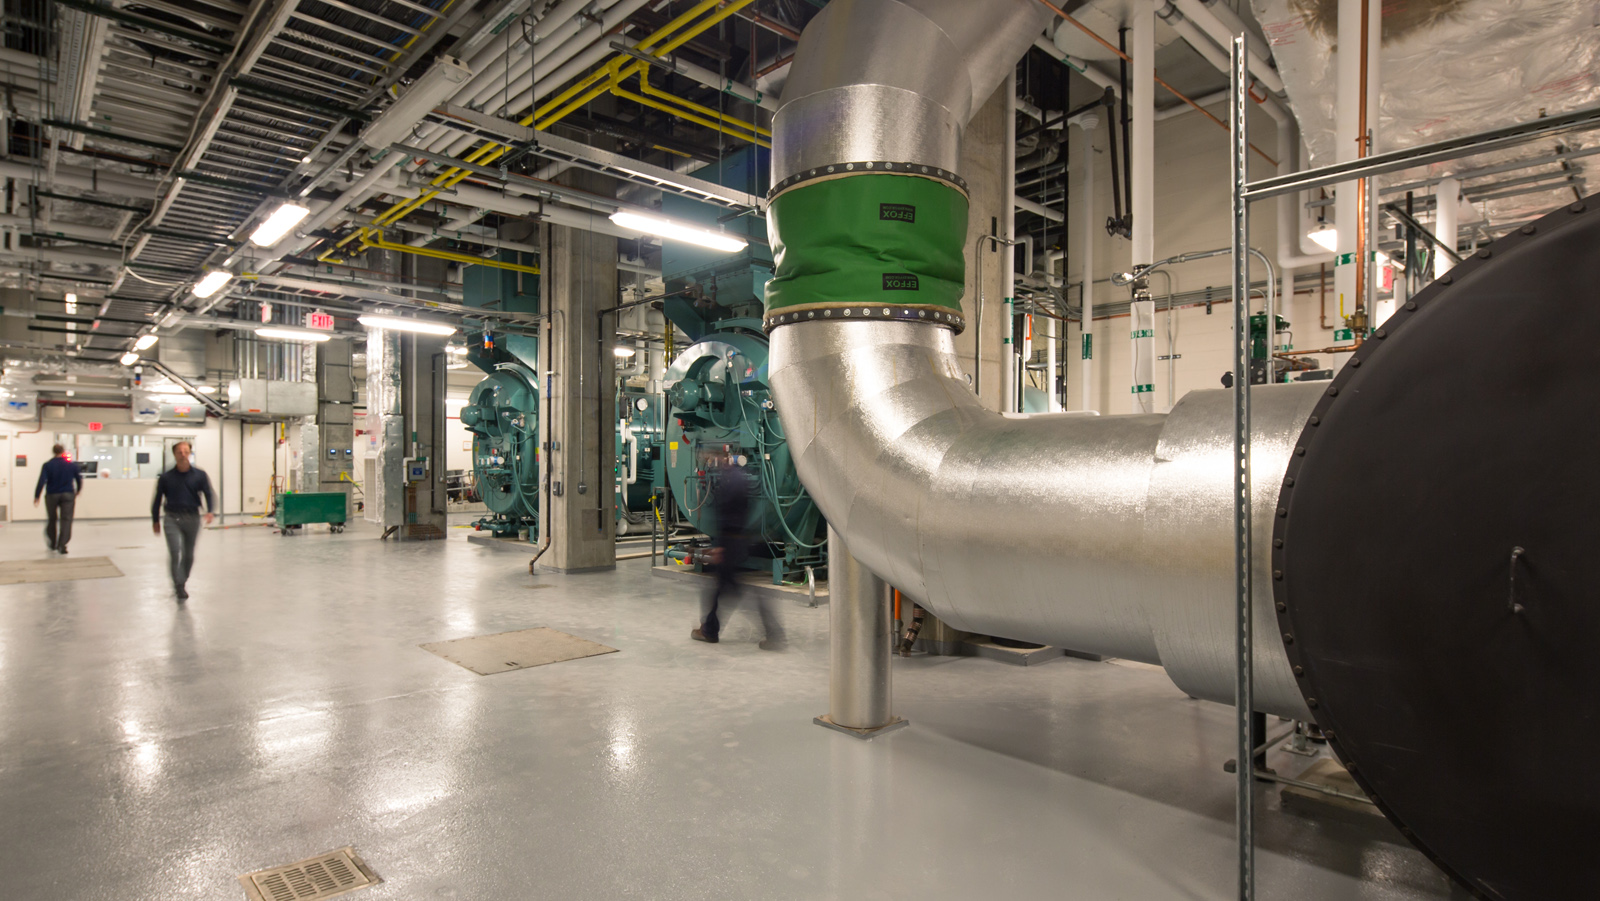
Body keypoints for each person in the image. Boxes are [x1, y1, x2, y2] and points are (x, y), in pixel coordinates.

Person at [691, 453, 785, 650]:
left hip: (731, 542)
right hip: (738, 540)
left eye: (713, 458)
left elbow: (728, 516)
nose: (712, 462)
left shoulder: (731, 481)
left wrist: (721, 545)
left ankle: (773, 634)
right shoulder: (739, 478)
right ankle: (710, 629)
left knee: (732, 590)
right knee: (724, 588)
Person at [151, 441, 215, 602]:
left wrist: (210, 511)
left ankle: (183, 580)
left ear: (190, 453)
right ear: (175, 455)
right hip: (172, 517)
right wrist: (155, 520)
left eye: (186, 451)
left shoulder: (199, 475)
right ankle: (178, 585)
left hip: (192, 517)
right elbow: (158, 499)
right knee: (174, 550)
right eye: (179, 452)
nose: (183, 454)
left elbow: (208, 493)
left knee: (188, 554)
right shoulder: (166, 477)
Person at [33, 443, 83, 554]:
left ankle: (52, 543)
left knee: (52, 519)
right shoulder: (72, 465)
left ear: (53, 452)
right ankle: (62, 545)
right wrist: (78, 490)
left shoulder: (47, 465)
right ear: (63, 451)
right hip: (68, 494)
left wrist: (37, 495)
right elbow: (79, 479)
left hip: (52, 494)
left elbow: (42, 481)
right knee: (66, 520)